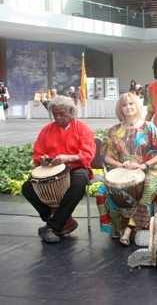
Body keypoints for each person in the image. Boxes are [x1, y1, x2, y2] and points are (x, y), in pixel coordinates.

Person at [22, 96, 95, 243]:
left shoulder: (82, 128)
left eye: (61, 113)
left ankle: (52, 226)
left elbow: (88, 154)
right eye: (54, 113)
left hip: (76, 167)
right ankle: (54, 220)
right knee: (27, 188)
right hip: (53, 169)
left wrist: (68, 158)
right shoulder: (47, 130)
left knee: (79, 183)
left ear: (70, 111)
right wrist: (42, 159)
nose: (57, 117)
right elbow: (38, 152)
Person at [96, 93, 157, 246]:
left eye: (131, 103)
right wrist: (121, 165)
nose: (128, 107)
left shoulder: (148, 127)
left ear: (137, 106)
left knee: (149, 188)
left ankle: (130, 228)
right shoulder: (114, 131)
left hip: (149, 169)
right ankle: (115, 228)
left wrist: (143, 165)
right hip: (124, 172)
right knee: (101, 192)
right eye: (124, 105)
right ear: (120, 109)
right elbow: (107, 158)